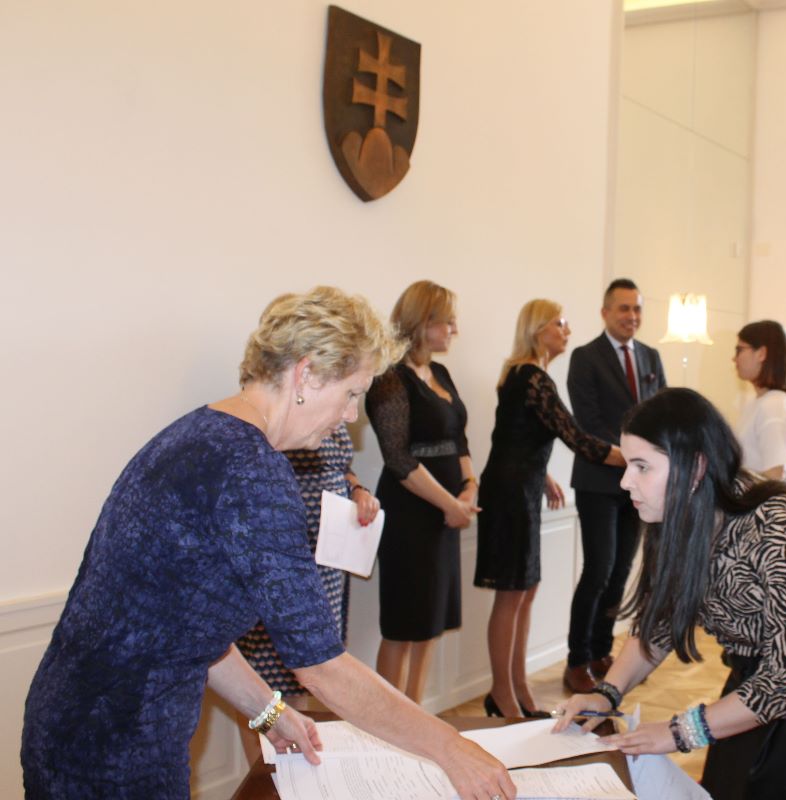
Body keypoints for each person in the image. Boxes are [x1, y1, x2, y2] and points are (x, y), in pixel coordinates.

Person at [21, 287, 515, 800]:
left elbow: (188, 626)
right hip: (118, 744)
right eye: (351, 394)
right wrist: (452, 748)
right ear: (306, 375)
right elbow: (322, 667)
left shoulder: (199, 430)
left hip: (73, 720)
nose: (351, 416)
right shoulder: (253, 470)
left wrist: (268, 710)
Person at [553, 388, 786, 800]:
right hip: (759, 674)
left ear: (695, 467)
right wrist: (606, 694)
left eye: (642, 466)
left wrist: (676, 733)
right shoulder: (674, 513)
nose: (625, 481)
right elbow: (660, 621)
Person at [474, 299, 624, 718]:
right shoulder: (531, 377)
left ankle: (518, 688)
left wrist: (544, 478)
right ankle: (502, 693)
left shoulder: (523, 375)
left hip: (520, 491)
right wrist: (633, 457)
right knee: (511, 596)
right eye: (560, 323)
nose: (567, 331)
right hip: (509, 496)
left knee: (525, 592)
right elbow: (578, 439)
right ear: (538, 329)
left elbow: (517, 437)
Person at [233, 422, 378, 758]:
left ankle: (297, 765)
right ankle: (264, 772)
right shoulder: (274, 422)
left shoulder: (331, 418)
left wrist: (357, 489)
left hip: (328, 560)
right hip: (281, 559)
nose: (350, 412)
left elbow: (342, 467)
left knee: (312, 668)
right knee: (268, 673)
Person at [366, 281, 477, 702]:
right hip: (410, 515)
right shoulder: (389, 377)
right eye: (447, 321)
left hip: (446, 514)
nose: (454, 330)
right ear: (421, 322)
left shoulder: (441, 373)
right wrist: (450, 504)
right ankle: (387, 722)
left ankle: (415, 713)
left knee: (430, 622)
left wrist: (469, 486)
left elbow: (458, 438)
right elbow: (398, 458)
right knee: (403, 626)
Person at [564, 278, 667, 694]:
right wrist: (640, 456)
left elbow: (660, 415)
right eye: (624, 308)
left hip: (640, 487)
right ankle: (577, 659)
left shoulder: (651, 356)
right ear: (605, 312)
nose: (632, 316)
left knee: (622, 570)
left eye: (637, 308)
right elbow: (588, 422)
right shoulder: (585, 357)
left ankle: (601, 651)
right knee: (598, 569)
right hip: (598, 481)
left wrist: (650, 463)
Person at [732, 320, 786, 480]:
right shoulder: (761, 402)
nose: (734, 359)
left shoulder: (773, 406)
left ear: (761, 353)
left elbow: (774, 475)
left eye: (739, 350)